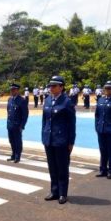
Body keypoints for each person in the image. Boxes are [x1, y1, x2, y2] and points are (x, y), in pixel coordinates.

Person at [42, 76, 76, 204]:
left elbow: (72, 123)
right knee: (52, 167)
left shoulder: (67, 102)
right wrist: (43, 135)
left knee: (62, 167)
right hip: (49, 140)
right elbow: (44, 120)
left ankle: (62, 193)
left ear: (61, 87)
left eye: (54, 86)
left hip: (61, 140)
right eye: (50, 85)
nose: (51, 88)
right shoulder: (47, 100)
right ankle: (54, 191)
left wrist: (71, 141)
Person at [6, 83, 29, 163]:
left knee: (17, 141)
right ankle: (13, 154)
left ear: (17, 90)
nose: (12, 91)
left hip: (17, 125)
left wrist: (22, 126)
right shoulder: (10, 99)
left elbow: (25, 115)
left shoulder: (22, 101)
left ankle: (17, 156)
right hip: (10, 124)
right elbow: (8, 111)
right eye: (11, 89)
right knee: (11, 140)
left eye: (14, 89)